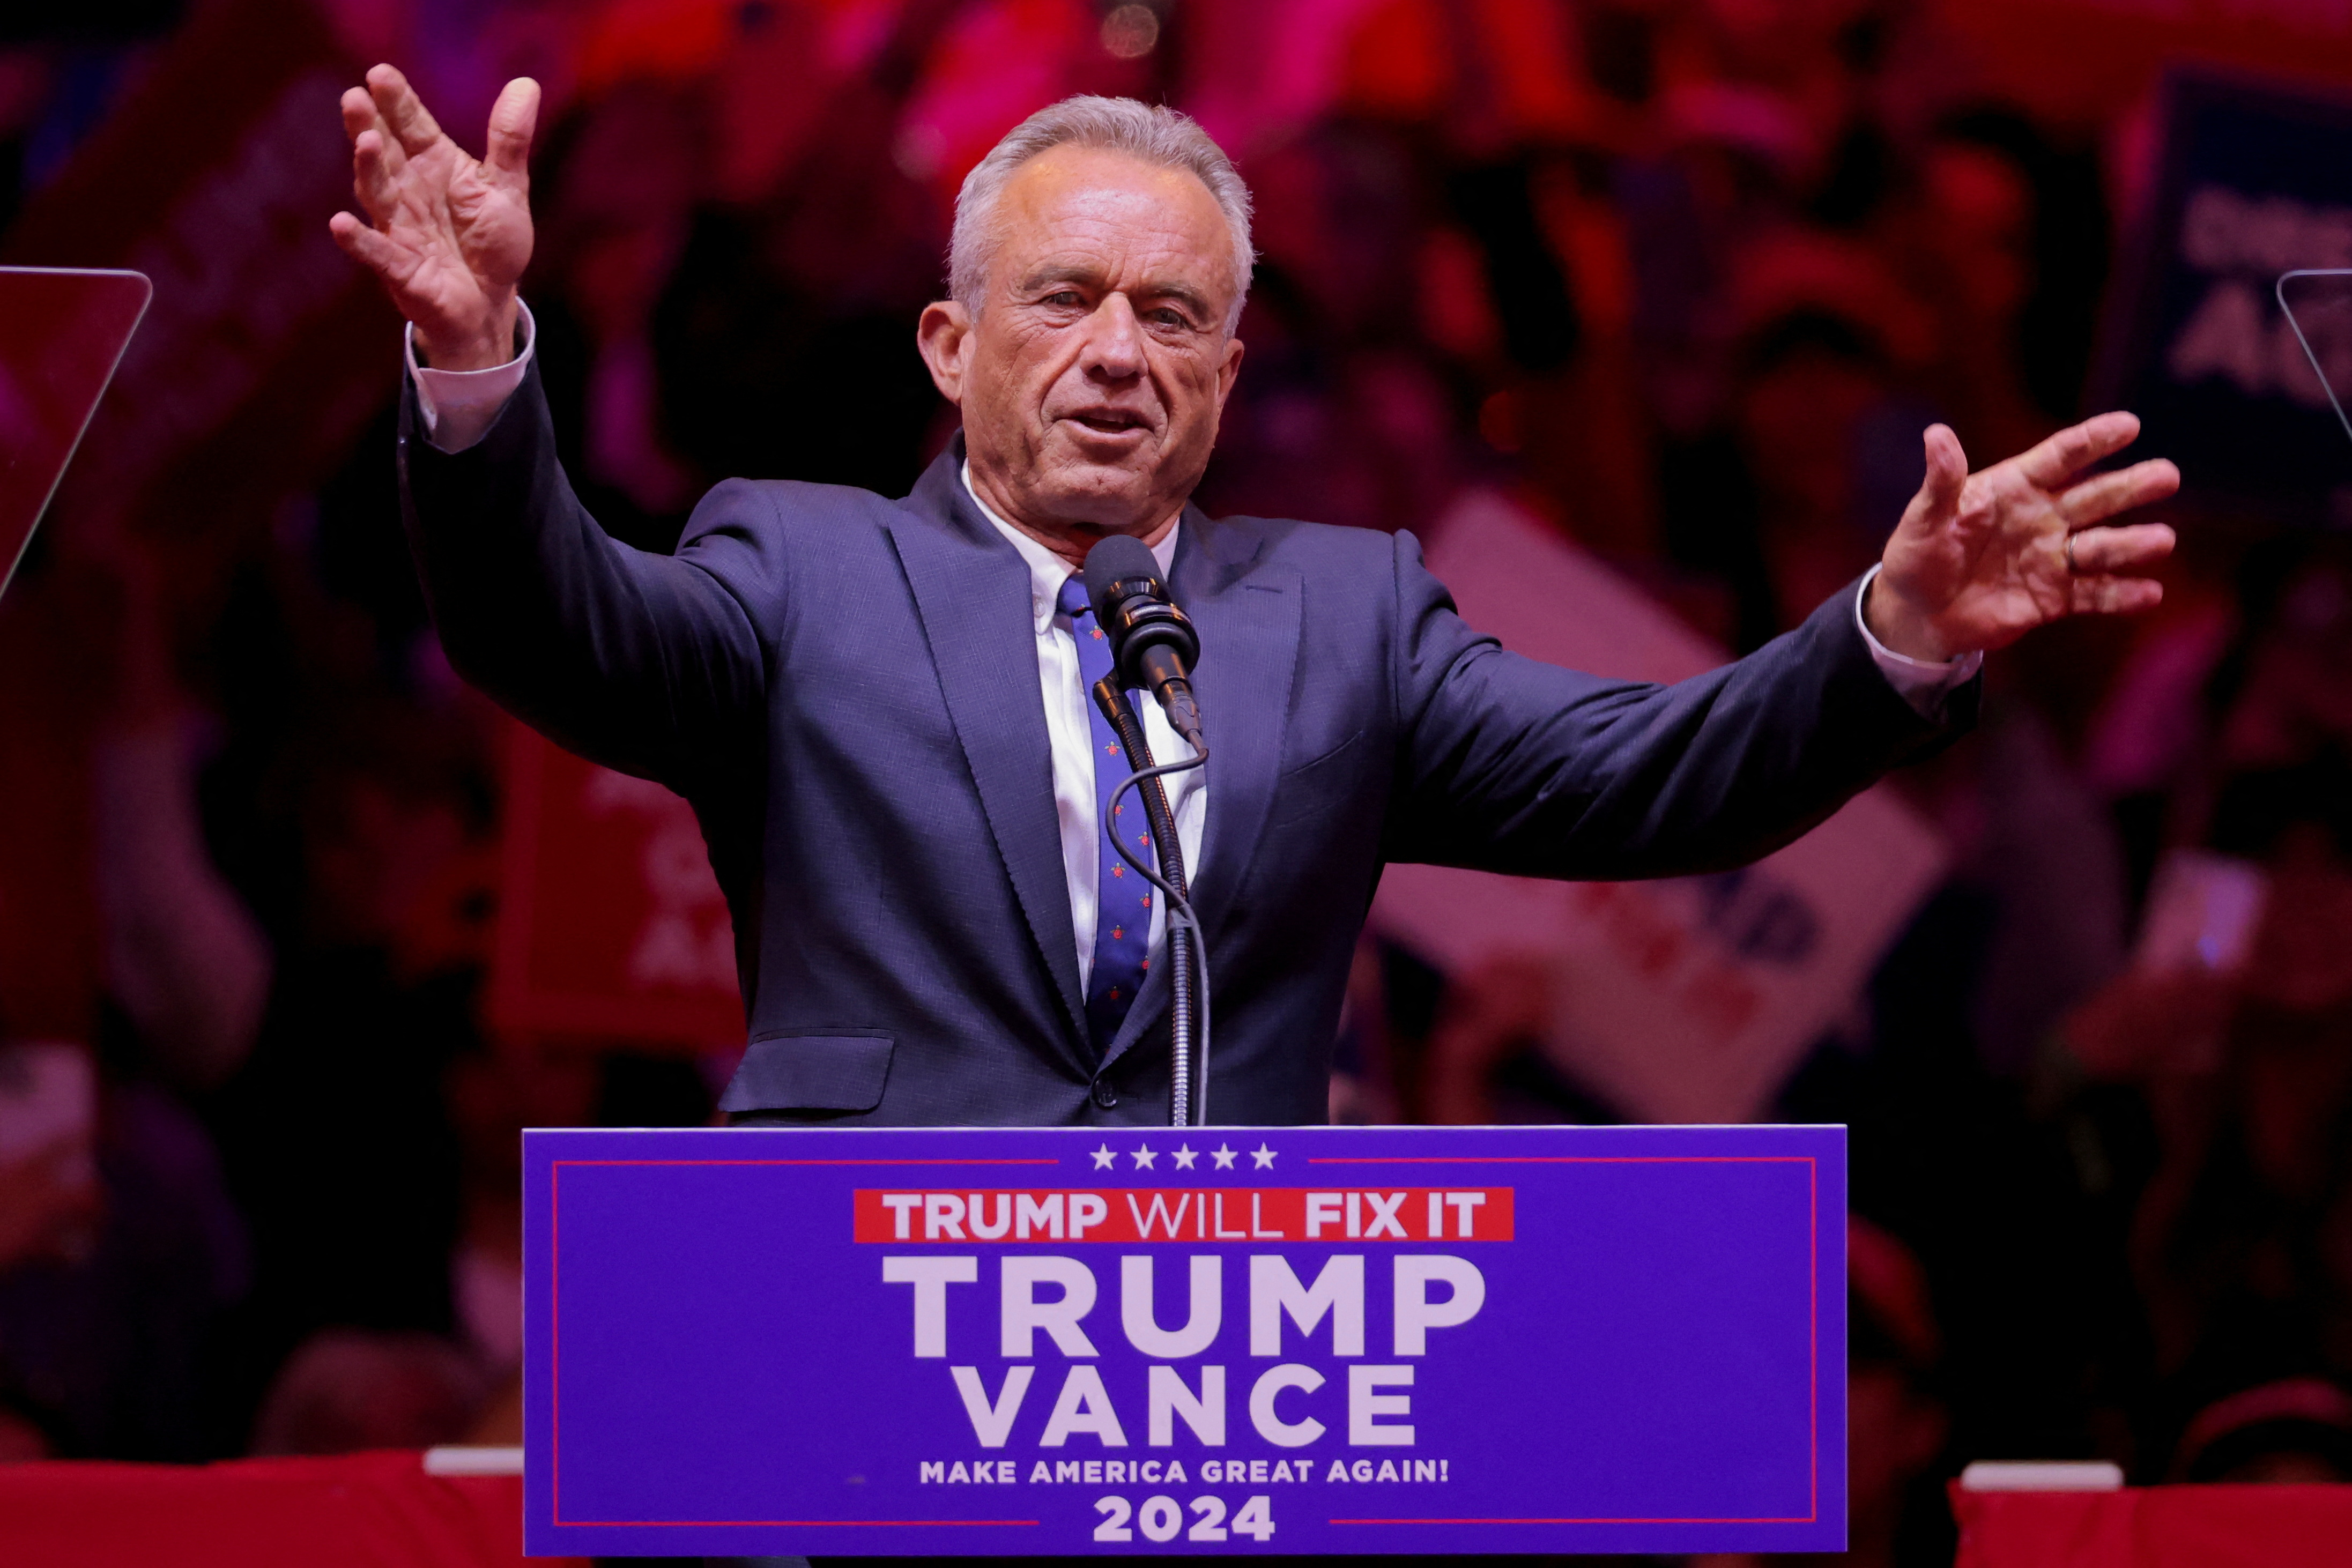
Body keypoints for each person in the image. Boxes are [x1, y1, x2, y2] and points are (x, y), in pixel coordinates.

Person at [329, 68, 2178, 1129]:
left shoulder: (1344, 616)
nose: (1118, 356)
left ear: (1227, 373)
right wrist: (479, 360)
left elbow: (1656, 775)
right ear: (949, 344)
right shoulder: (803, 569)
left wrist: (1898, 628)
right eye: (1063, 302)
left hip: (1219, 1422)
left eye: (1175, 318)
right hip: (854, 1396)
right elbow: (549, 625)